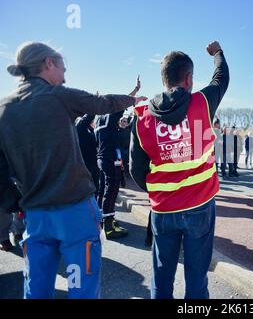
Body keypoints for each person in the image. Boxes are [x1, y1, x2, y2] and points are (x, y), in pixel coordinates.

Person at [0, 42, 146, 299]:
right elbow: (102, 103)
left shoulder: (3, 109)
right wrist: (133, 99)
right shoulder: (59, 95)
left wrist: (16, 202)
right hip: (75, 211)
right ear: (48, 63)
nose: (65, 75)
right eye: (62, 67)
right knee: (82, 288)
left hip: (35, 216)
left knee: (37, 289)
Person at [129, 41, 229, 299]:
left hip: (163, 209)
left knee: (162, 278)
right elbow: (221, 77)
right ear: (189, 78)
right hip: (200, 205)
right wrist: (217, 53)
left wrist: (159, 190)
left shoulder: (142, 117)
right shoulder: (203, 103)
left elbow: (136, 168)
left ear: (164, 79)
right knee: (197, 279)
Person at [95, 76, 142, 240]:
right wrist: (135, 94)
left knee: (103, 190)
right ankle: (108, 227)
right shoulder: (110, 116)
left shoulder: (100, 117)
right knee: (111, 189)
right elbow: (122, 102)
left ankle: (105, 220)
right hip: (108, 158)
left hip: (105, 157)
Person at [76, 114, 99, 196]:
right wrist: (93, 107)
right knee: (87, 190)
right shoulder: (79, 128)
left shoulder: (91, 130)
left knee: (96, 188)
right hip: (85, 164)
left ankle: (95, 205)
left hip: (94, 163)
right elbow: (87, 118)